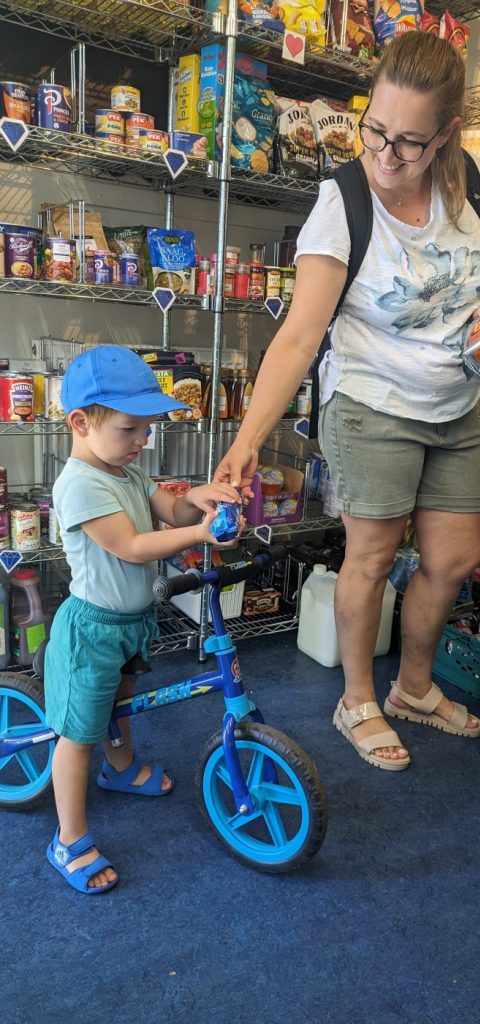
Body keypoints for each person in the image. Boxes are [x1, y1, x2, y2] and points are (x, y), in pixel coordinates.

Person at [215, 32, 480, 772]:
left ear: (445, 133)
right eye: (375, 129)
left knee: (454, 559)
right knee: (372, 555)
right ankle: (357, 699)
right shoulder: (342, 203)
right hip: (372, 403)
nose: (386, 154)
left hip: (455, 405)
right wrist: (248, 440)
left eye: (410, 142)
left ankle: (412, 689)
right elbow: (297, 338)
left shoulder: (473, 183)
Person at [44, 345, 244, 893]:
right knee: (79, 733)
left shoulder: (126, 471)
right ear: (82, 422)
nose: (143, 442)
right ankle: (68, 838)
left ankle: (122, 766)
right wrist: (201, 535)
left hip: (133, 623)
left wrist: (198, 501)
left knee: (122, 703)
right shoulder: (81, 484)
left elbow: (169, 510)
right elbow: (132, 545)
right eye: (131, 429)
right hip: (92, 629)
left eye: (147, 430)